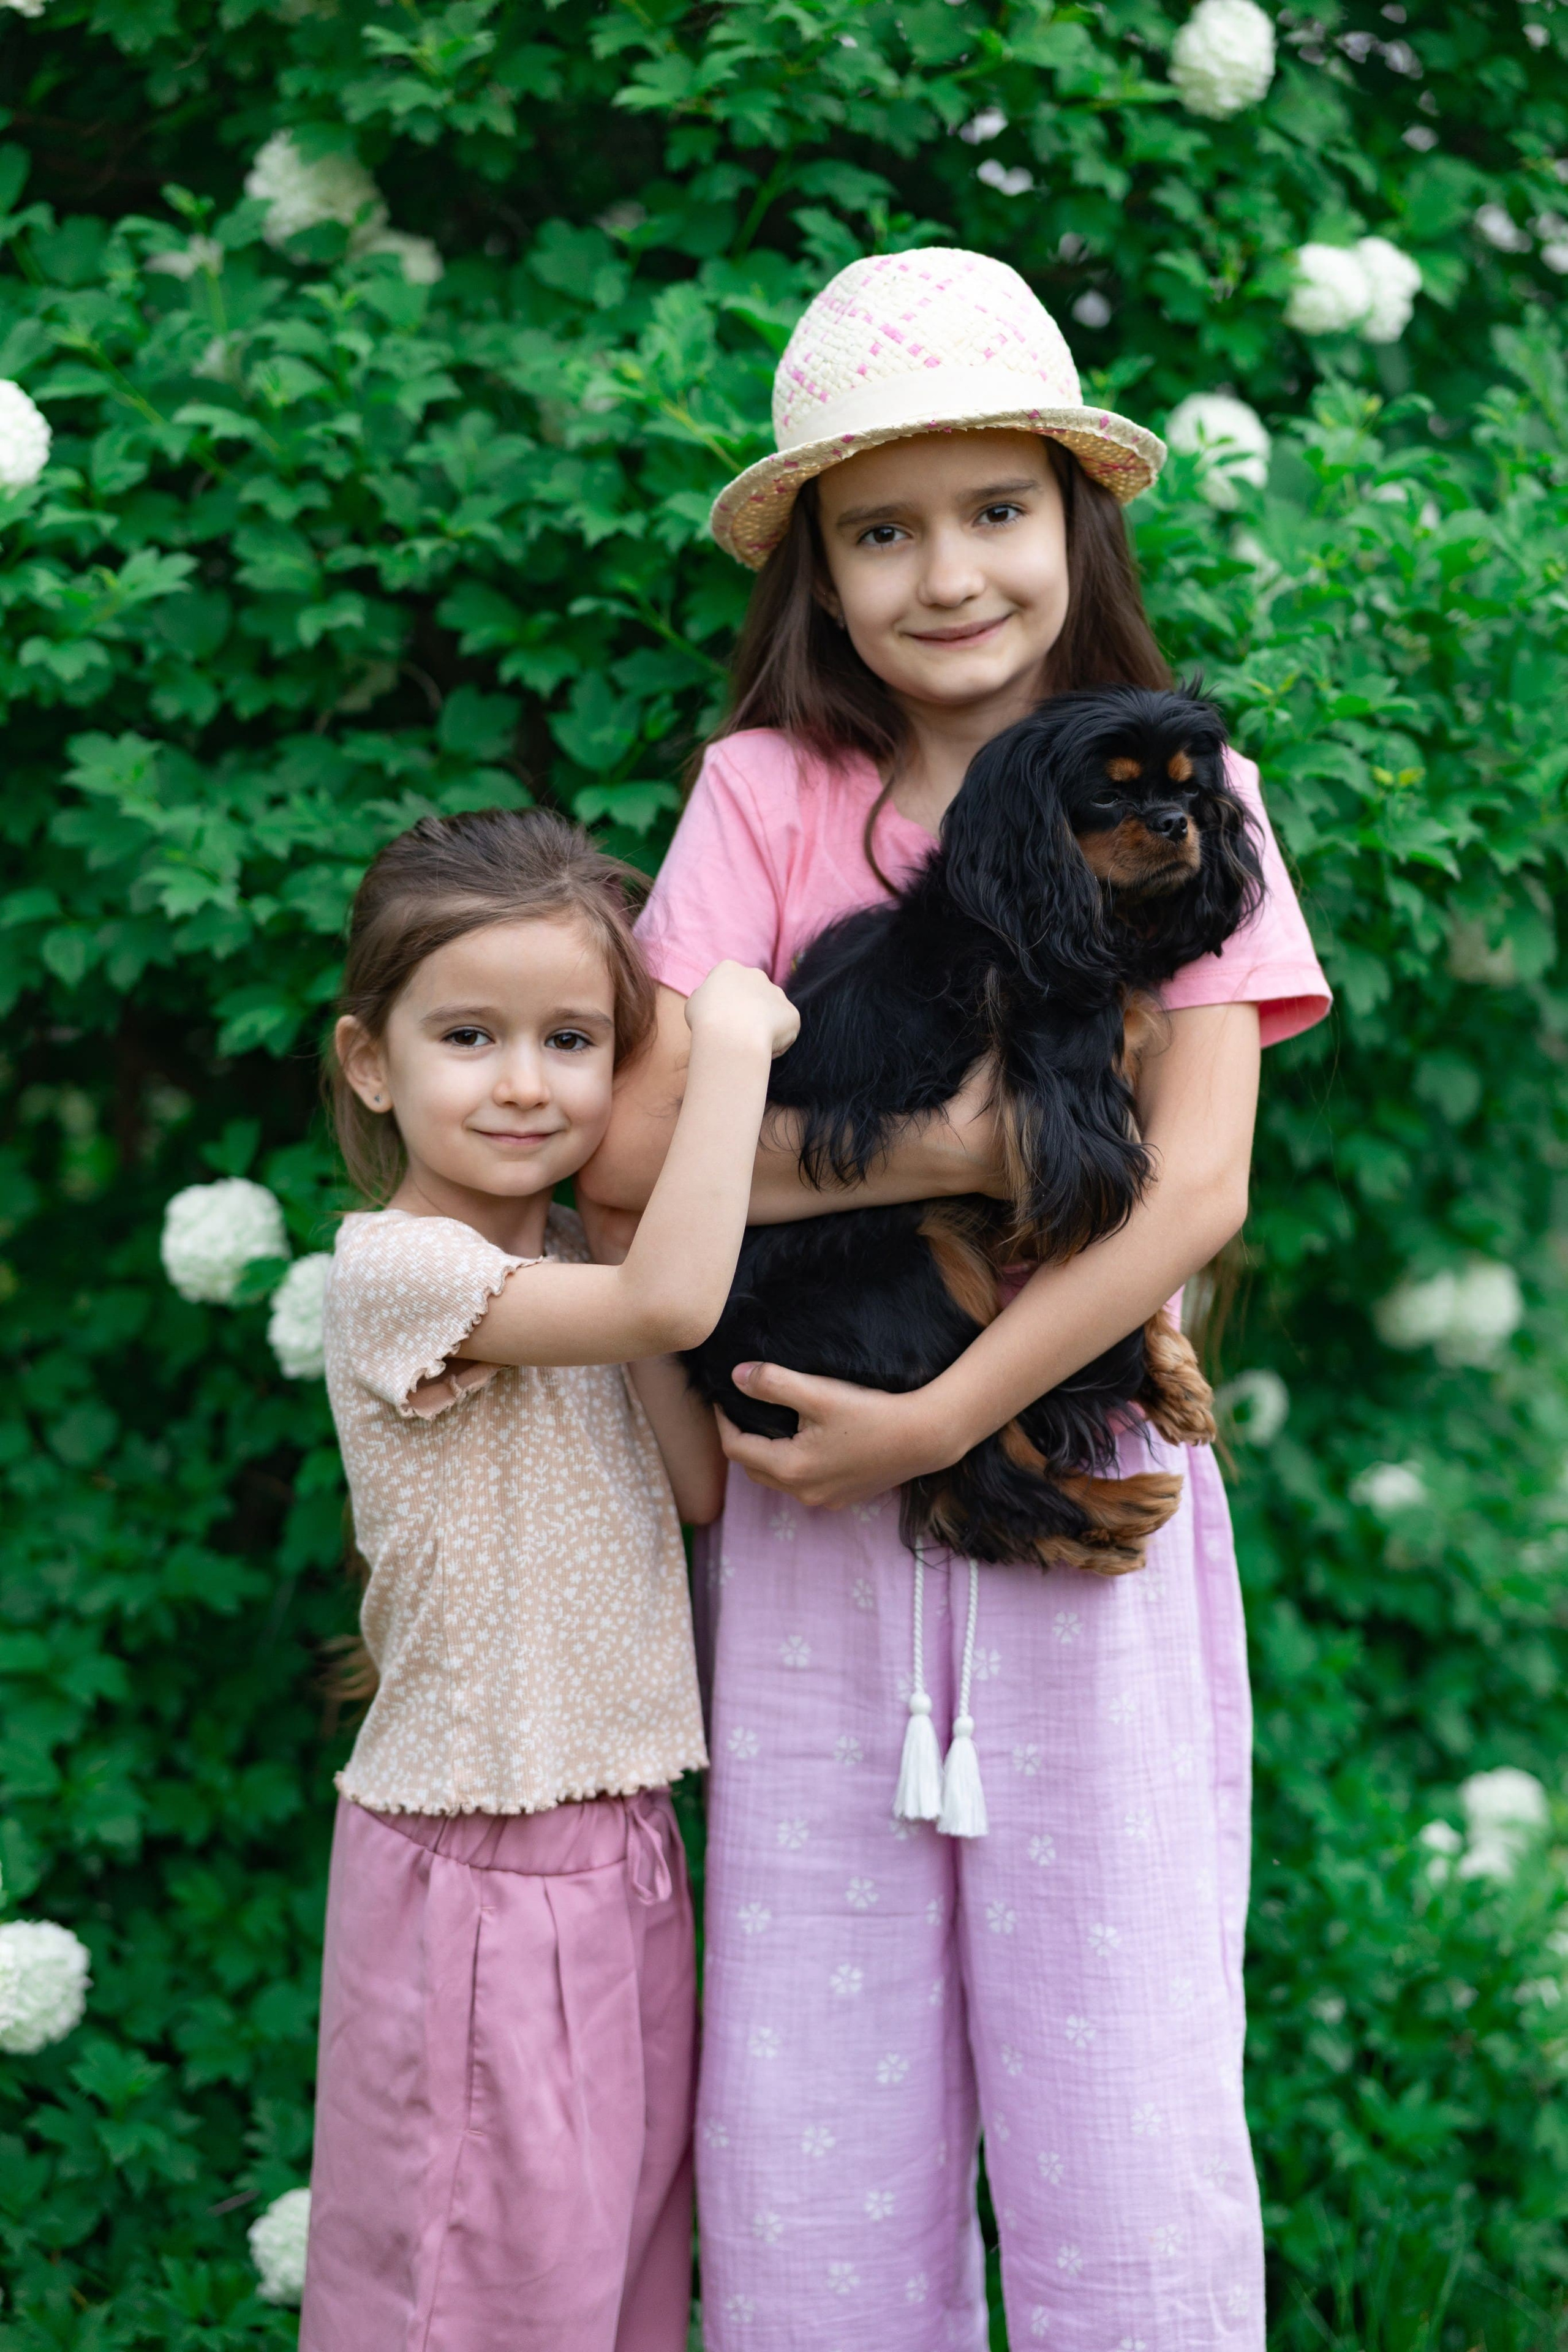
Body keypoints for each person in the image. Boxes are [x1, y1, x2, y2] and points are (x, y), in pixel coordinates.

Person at [579, 248, 1331, 2350]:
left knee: (1128, 2078)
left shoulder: (1187, 800)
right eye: (881, 526)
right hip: (819, 1530)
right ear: (817, 564)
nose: (946, 572)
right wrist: (959, 1151)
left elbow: (1192, 1188)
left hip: (1076, 1491)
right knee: (816, 2105)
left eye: (994, 510)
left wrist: (950, 1410)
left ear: (1072, 525)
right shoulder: (770, 799)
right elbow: (633, 1157)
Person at [296, 806, 796, 2352]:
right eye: (469, 1036)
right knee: (473, 2298)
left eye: (573, 1038)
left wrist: (621, 1212)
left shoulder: (575, 1276)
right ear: (371, 1064)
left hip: (625, 1852)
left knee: (613, 2292)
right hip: (475, 1863)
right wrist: (729, 1042)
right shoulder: (397, 1270)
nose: (525, 1082)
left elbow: (701, 1483)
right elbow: (671, 1300)